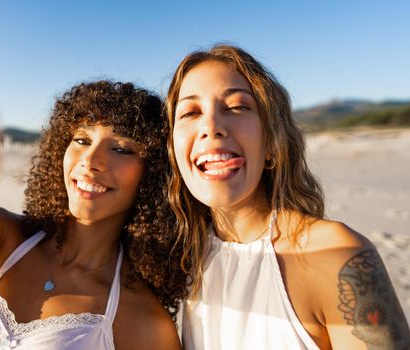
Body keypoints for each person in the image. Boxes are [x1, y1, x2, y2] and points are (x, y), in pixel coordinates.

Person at [165, 45, 410, 349]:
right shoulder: (178, 261)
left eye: (237, 107)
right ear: (174, 152)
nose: (211, 127)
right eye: (191, 112)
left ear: (271, 143)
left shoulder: (339, 257)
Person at [0, 80, 185, 349]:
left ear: (154, 173)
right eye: (82, 140)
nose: (90, 160)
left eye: (121, 148)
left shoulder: (143, 320)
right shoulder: (0, 237)